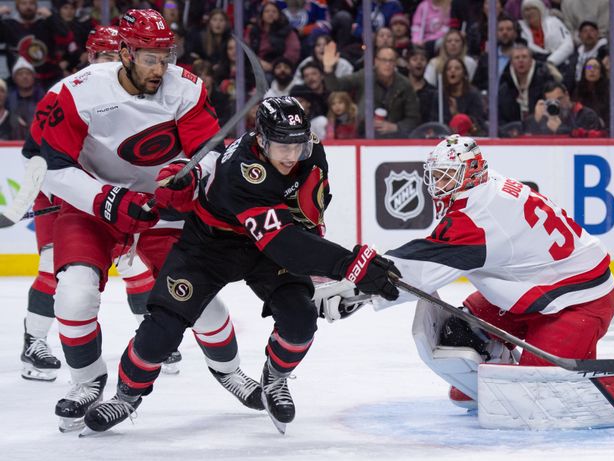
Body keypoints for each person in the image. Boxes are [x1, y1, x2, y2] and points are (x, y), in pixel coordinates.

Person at [82, 96, 401, 434]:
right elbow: (282, 244)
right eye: (282, 146)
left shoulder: (311, 149)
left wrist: (333, 267)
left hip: (267, 248)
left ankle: (275, 379)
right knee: (162, 330)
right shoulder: (243, 172)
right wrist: (349, 265)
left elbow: (307, 215)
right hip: (210, 247)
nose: (292, 155)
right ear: (262, 140)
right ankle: (126, 396)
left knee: (300, 317)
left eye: (298, 145)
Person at [39, 9, 261, 432]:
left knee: (199, 298)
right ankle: (86, 382)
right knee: (73, 294)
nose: (160, 68)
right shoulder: (74, 92)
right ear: (124, 53)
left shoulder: (186, 87)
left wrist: (190, 177)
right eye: (149, 58)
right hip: (92, 205)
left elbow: (210, 153)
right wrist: (106, 200)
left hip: (163, 207)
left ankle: (230, 371)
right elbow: (49, 167)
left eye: (166, 56)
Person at [334, 134, 614, 408]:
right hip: (539, 287)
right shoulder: (486, 183)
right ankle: (505, 368)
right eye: (436, 176)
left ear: (469, 174)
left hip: (579, 301)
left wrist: (358, 289)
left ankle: (540, 377)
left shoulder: (478, 218)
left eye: (448, 176)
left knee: (531, 401)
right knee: (456, 338)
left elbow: (420, 270)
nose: (438, 185)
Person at [16, 25, 181, 381]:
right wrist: (47, 191)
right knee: (53, 268)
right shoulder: (68, 92)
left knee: (135, 266)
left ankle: (152, 338)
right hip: (69, 197)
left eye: (114, 56)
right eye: (104, 56)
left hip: (116, 198)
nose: (110, 64)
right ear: (92, 57)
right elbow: (37, 154)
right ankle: (33, 342)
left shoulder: (141, 96)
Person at [323, 44, 420, 139]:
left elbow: (414, 118)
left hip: (395, 138)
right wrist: (328, 69)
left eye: (391, 60)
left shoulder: (405, 85)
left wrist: (395, 127)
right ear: (376, 61)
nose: (388, 64)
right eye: (384, 60)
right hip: (363, 135)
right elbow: (335, 86)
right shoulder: (364, 76)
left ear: (395, 63)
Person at [525, 80, 604, 136]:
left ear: (567, 95)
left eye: (559, 99)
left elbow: (591, 139)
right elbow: (526, 135)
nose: (556, 104)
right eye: (551, 102)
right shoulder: (545, 118)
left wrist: (560, 129)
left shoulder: (587, 115)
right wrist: (535, 119)